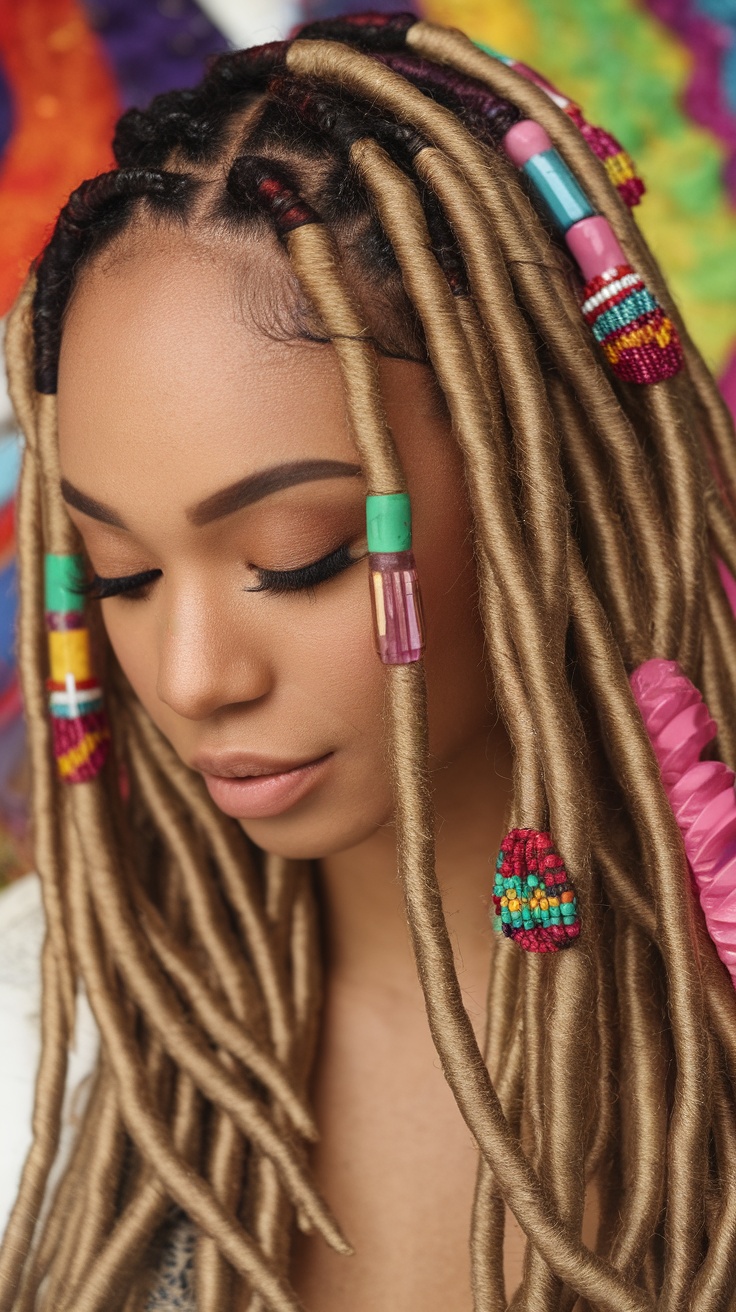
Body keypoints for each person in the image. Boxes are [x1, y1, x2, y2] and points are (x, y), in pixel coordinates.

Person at [1, 11, 736, 1311]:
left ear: (536, 478)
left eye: (296, 556)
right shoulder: (41, 1042)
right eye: (117, 574)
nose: (188, 675)